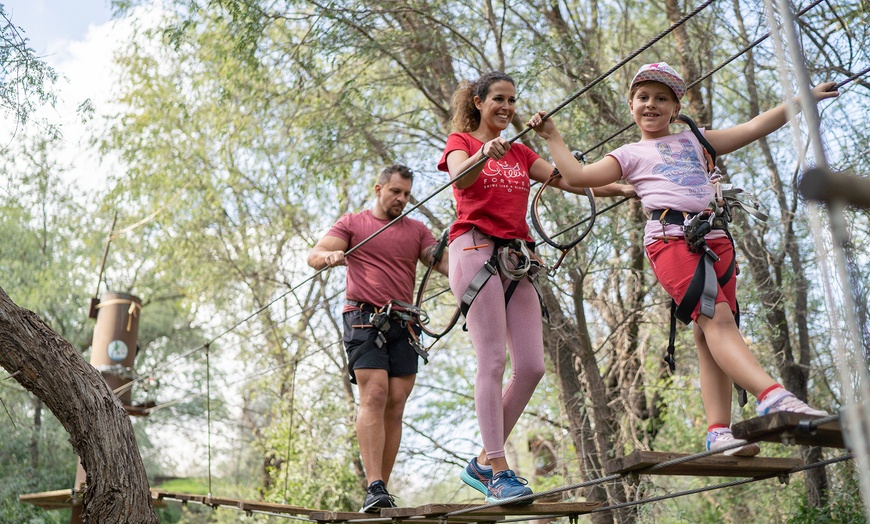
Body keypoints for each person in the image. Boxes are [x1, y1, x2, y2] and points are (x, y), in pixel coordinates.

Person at [554, 62, 836, 457]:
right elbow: (578, 175)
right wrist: (551, 136)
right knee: (716, 320)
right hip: (671, 240)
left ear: (675, 107)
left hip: (715, 238)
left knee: (710, 335)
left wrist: (803, 101)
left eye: (662, 98)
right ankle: (773, 396)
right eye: (643, 97)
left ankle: (718, 432)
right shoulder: (630, 154)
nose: (651, 105)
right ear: (631, 104)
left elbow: (754, 126)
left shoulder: (696, 141)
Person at [438, 71, 633, 504]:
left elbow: (568, 180)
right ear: (477, 101)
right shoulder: (463, 143)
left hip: (517, 258)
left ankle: (480, 463)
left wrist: (621, 187)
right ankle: (498, 468)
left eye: (511, 100)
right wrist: (485, 153)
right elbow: (459, 180)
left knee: (531, 367)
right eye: (498, 100)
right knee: (492, 359)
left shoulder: (522, 152)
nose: (506, 108)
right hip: (474, 250)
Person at [307, 164, 448, 512]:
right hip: (364, 319)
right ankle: (374, 485)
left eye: (406, 194)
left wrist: (464, 244)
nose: (401, 199)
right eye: (395, 192)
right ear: (378, 189)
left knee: (396, 401)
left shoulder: (416, 230)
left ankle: (380, 494)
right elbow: (314, 256)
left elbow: (440, 261)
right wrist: (330, 256)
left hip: (404, 322)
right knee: (376, 394)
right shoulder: (354, 224)